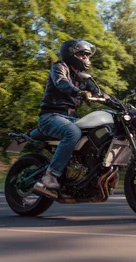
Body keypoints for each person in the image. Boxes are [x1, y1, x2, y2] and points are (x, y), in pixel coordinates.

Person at [38, 39, 101, 189]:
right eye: (82, 54)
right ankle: (51, 174)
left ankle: (86, 176)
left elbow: (98, 92)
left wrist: (118, 103)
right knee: (73, 132)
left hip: (71, 118)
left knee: (94, 134)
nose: (86, 58)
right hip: (51, 116)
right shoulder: (59, 67)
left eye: (87, 55)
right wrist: (79, 92)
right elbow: (61, 83)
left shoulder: (82, 76)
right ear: (71, 54)